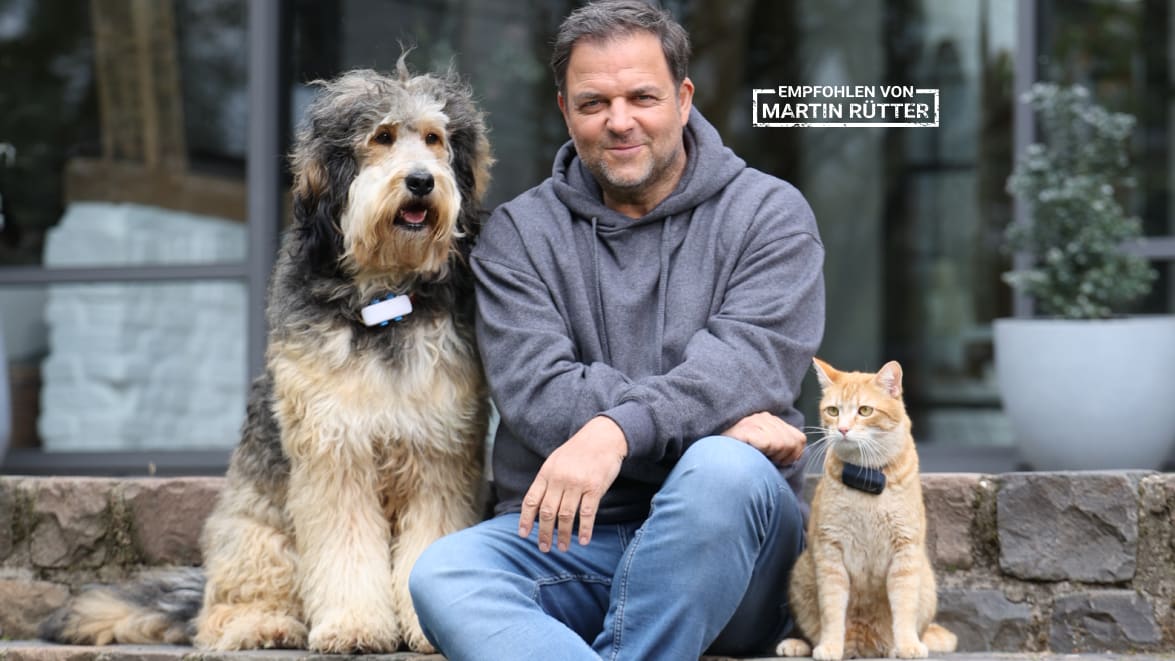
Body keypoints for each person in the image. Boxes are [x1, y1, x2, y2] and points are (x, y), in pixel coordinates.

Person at [409, 1, 825, 659]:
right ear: (564, 110)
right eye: (594, 102)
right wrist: (708, 417)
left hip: (731, 554)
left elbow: (745, 366)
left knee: (722, 470)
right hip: (572, 540)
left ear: (684, 99)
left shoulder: (767, 216)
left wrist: (612, 432)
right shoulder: (518, 236)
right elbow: (541, 399)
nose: (619, 121)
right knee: (444, 574)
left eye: (642, 97)